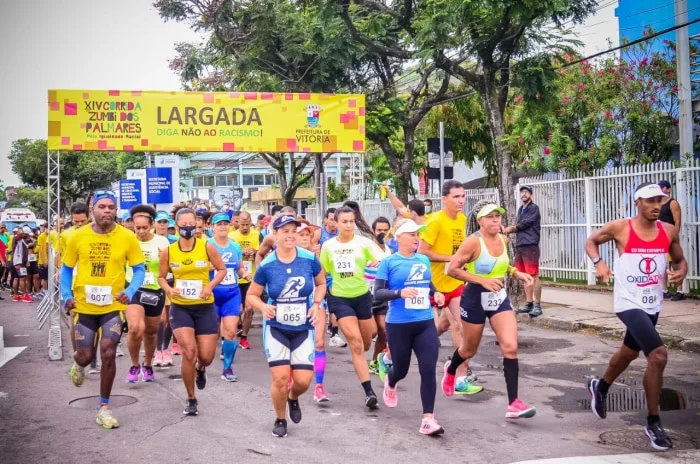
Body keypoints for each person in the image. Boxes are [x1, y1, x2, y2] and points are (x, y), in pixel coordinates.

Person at [585, 182, 687, 451]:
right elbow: (591, 241)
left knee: (629, 353)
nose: (657, 206)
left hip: (652, 303)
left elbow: (679, 259)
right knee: (658, 355)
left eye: (660, 201)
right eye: (651, 200)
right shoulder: (621, 227)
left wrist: (681, 272)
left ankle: (601, 386)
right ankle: (654, 421)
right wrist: (600, 263)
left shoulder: (667, 230)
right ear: (637, 202)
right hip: (628, 301)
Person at [442, 201, 536, 419]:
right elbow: (451, 269)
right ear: (480, 221)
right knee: (469, 350)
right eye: (490, 217)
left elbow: (502, 265)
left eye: (498, 216)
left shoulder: (503, 239)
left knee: (510, 346)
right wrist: (480, 281)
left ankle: (514, 403)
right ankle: (451, 368)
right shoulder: (472, 243)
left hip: (497, 298)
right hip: (474, 298)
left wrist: (516, 273)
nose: (496, 220)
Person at [61, 190, 146, 429]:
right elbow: (67, 269)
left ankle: (104, 407)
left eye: (111, 207)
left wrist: (129, 292)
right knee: (86, 355)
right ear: (92, 209)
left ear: (115, 210)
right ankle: (78, 364)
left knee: (108, 352)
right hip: (84, 306)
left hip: (113, 306)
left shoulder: (127, 237)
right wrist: (66, 295)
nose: (107, 211)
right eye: (102, 207)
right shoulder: (78, 236)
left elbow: (139, 269)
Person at [246, 214, 326, 437]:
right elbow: (252, 294)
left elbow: (320, 284)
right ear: (275, 235)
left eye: (294, 231)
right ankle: (280, 419)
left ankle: (293, 397)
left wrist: (317, 304)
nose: (290, 236)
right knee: (280, 378)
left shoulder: (309, 258)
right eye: (285, 231)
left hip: (303, 327)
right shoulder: (268, 265)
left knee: (302, 381)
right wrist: (263, 307)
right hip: (276, 327)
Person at [373, 219, 445, 435]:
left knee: (428, 369)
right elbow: (378, 293)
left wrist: (437, 293)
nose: (417, 238)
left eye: (418, 235)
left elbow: (427, 285)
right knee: (401, 369)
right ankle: (391, 380)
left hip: (424, 323)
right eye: (413, 234)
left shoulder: (423, 259)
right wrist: (399, 293)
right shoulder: (388, 262)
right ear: (399, 238)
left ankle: (428, 419)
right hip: (399, 324)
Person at [158, 207, 227, 416]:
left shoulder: (207, 246)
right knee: (189, 352)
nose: (188, 228)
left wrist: (209, 287)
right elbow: (161, 276)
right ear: (176, 226)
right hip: (181, 307)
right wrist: (169, 289)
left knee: (205, 356)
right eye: (183, 225)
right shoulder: (169, 251)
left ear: (197, 226)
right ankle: (191, 398)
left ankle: (201, 368)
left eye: (191, 225)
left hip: (204, 306)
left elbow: (222, 269)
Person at [418, 180, 477, 392]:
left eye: (463, 196)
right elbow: (421, 252)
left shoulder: (463, 221)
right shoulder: (435, 221)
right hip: (434, 285)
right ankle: (392, 354)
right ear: (444, 199)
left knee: (460, 326)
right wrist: (450, 259)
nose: (461, 200)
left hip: (456, 283)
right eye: (456, 197)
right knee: (439, 328)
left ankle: (459, 377)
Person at [320, 206, 382, 409]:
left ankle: (364, 349)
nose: (348, 225)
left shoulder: (364, 243)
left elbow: (384, 259)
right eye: (344, 221)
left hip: (362, 296)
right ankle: (369, 392)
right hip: (339, 298)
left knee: (365, 342)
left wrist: (376, 262)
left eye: (351, 221)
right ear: (336, 223)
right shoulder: (328, 246)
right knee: (355, 343)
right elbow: (323, 271)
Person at [124, 205, 170, 383]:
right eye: (138, 228)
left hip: (155, 290)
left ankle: (148, 364)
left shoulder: (162, 242)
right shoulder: (127, 240)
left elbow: (168, 272)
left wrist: (164, 258)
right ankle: (134, 365)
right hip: (133, 288)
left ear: (152, 225)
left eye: (145, 227)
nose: (141, 231)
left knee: (151, 331)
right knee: (136, 328)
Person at [209, 213, 252, 381]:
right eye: (219, 224)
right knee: (210, 335)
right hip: (211, 294)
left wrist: (247, 275)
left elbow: (239, 268)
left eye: (225, 223)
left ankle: (227, 368)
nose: (223, 226)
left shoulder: (235, 246)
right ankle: (200, 363)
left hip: (231, 293)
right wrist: (212, 268)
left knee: (231, 331)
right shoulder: (207, 245)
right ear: (212, 226)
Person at [295, 220, 330, 402]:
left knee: (319, 343)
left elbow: (322, 280)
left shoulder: (315, 256)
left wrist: (317, 303)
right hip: (294, 304)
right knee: (294, 345)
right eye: (300, 235)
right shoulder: (287, 256)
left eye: (307, 235)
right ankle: (289, 380)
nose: (304, 238)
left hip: (315, 303)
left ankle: (319, 387)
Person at [503, 185, 542, 317]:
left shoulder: (533, 208)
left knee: (533, 275)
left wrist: (512, 228)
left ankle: (537, 305)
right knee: (524, 275)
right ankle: (529, 303)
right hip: (521, 245)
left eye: (526, 192)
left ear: (531, 195)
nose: (524, 194)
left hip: (530, 245)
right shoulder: (521, 209)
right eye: (522, 192)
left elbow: (525, 224)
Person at [313, 207, 346, 349]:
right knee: (319, 305)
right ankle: (314, 333)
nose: (333, 223)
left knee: (335, 303)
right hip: (319, 275)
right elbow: (309, 250)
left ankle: (334, 334)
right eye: (331, 219)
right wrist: (316, 253)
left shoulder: (342, 235)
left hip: (335, 275)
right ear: (326, 219)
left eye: (335, 220)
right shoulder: (319, 233)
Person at [229, 211, 260, 350]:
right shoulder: (231, 236)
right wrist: (241, 254)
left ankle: (244, 338)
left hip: (250, 277)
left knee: (249, 308)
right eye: (242, 225)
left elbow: (263, 252)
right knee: (238, 310)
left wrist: (255, 252)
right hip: (235, 278)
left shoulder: (257, 234)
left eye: (247, 224)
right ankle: (233, 331)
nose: (245, 227)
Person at [367, 217, 392, 376]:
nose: (382, 233)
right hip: (367, 295)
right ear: (373, 231)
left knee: (384, 331)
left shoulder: (389, 250)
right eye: (379, 230)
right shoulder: (367, 248)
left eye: (385, 230)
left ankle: (375, 362)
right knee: (372, 333)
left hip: (382, 296)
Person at [153, 211, 178, 367]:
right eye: (159, 222)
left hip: (171, 281)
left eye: (165, 222)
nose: (162, 225)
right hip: (154, 283)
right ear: (154, 224)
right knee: (160, 318)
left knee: (169, 318)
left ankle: (166, 348)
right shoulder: (150, 240)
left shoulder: (174, 241)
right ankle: (158, 350)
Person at [658, 180, 684, 301]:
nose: (661, 189)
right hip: (659, 238)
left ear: (668, 189)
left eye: (663, 187)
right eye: (660, 187)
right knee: (662, 264)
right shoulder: (657, 204)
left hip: (671, 238)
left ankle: (680, 291)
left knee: (675, 263)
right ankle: (664, 290)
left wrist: (674, 237)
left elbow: (677, 222)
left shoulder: (673, 203)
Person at [10, 226, 32, 302]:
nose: (23, 233)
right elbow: (19, 234)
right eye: (21, 232)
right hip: (19, 262)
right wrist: (20, 231)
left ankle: (16, 295)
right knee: (23, 278)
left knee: (16, 278)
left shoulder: (21, 240)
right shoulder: (17, 238)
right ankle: (24, 295)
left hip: (17, 262)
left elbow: (27, 247)